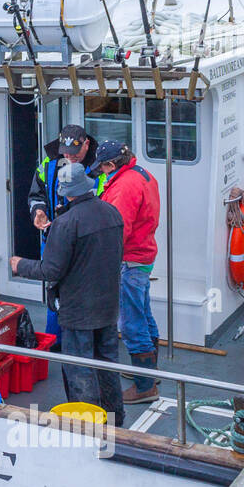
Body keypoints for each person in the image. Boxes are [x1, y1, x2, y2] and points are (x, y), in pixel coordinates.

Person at [10, 160, 125, 426]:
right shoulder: (111, 213)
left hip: (78, 310)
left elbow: (51, 270)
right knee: (108, 363)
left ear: (66, 192)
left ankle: (86, 427)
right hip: (107, 306)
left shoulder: (65, 224)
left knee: (78, 367)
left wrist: (20, 266)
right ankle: (116, 421)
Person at [95, 141, 162, 404]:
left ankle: (145, 386)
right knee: (144, 312)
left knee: (131, 321)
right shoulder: (143, 175)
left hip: (129, 260)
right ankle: (149, 371)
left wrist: (101, 261)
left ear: (111, 165)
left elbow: (117, 230)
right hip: (144, 255)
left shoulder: (123, 187)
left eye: (102, 167)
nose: (100, 172)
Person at [26, 124, 106, 345]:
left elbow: (104, 206)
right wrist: (38, 211)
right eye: (66, 151)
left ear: (87, 144)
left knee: (86, 292)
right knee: (54, 288)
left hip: (87, 245)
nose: (69, 156)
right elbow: (36, 194)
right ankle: (54, 340)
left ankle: (86, 343)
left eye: (75, 152)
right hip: (53, 239)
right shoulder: (49, 163)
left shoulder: (101, 168)